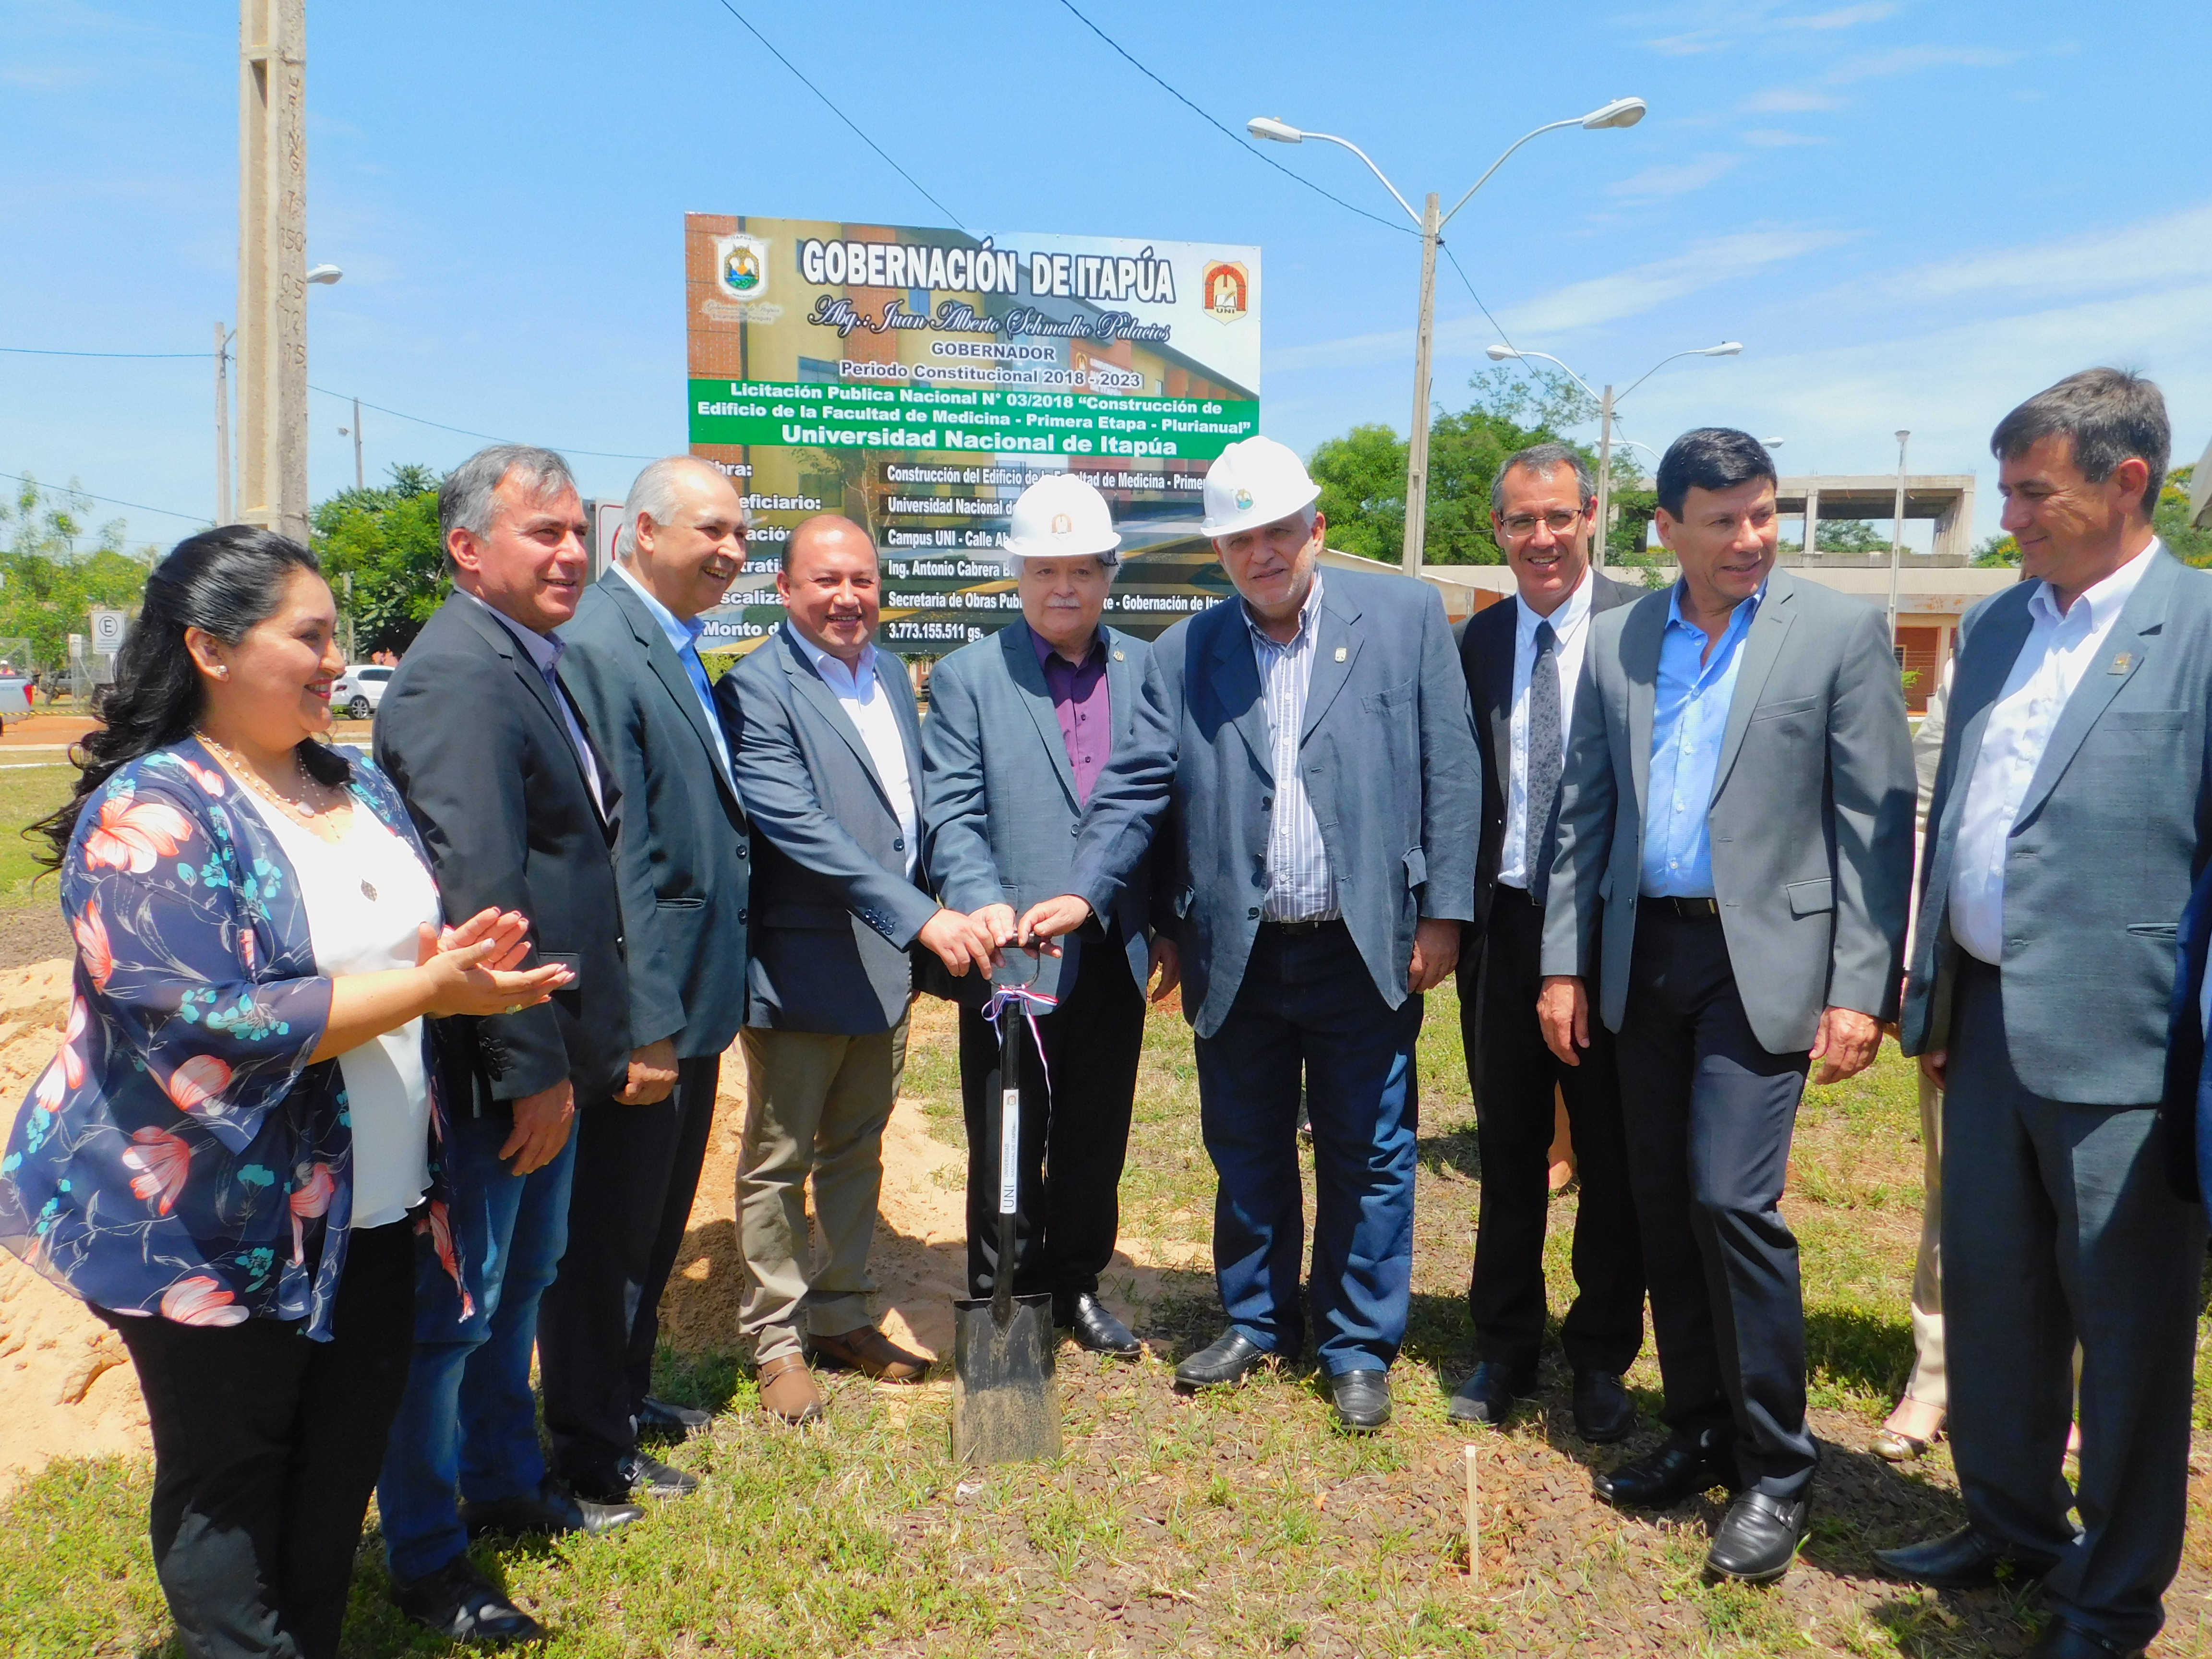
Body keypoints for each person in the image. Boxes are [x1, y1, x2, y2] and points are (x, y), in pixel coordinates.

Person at [0, 526, 565, 1659]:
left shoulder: (348, 781)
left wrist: (458, 963)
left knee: (341, 1452)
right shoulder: (153, 810)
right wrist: (425, 992)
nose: (334, 660)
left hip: (380, 1199)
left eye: (334, 637)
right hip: (210, 1223)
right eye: (308, 637)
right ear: (210, 649)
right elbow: (196, 1017)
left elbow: (398, 949)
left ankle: (306, 1630)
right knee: (233, 1475)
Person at [1020, 435, 1481, 1431]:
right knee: (1246, 1142)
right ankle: (1259, 1317)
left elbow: (1451, 767)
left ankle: (1357, 1343)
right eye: (1238, 540)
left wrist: (1444, 911)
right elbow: (1139, 787)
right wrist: (1085, 891)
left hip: (1366, 939)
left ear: (1315, 529)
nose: (1261, 553)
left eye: (1277, 530)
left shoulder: (1404, 618)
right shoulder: (1189, 652)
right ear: (1219, 554)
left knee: (1370, 1147)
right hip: (1240, 945)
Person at [1539, 428, 1913, 1583]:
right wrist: (1563, 961)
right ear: (1667, 530)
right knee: (1658, 1204)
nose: (1752, 539)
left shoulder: (1838, 633)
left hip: (1764, 966)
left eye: (1764, 515)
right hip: (1641, 958)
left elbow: (1874, 822)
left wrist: (1861, 988)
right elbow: (1583, 814)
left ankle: (1776, 1468)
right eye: (1725, 519)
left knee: (1730, 1202)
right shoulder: (1620, 644)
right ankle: (1697, 1429)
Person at [1883, 369, 2211, 1659]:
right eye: (2007, 487)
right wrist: (1935, 993)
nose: (2010, 516)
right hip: (1989, 1023)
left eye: (2035, 490)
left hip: (2131, 1051)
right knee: (1998, 1300)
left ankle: (2113, 1592)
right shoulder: (2007, 627)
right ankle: (2012, 1523)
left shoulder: (2197, 628)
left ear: (2129, 484)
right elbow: (1956, 813)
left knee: (2127, 1343)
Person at [374, 445, 645, 1644]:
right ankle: (429, 1558)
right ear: (468, 550)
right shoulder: (456, 678)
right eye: (543, 534)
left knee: (519, 1287)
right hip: (492, 1066)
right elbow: (482, 890)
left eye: (578, 531)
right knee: (455, 1318)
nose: (572, 553)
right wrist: (531, 1071)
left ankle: (506, 1486)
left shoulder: (525, 658)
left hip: (550, 1047)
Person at [720, 513, 999, 1424]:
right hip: (801, 965)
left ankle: (840, 1312)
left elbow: (910, 812)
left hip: (880, 966)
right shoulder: (756, 688)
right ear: (786, 590)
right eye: (826, 582)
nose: (848, 598)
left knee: (858, 1144)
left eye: (863, 582)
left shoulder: (885, 672)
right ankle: (775, 1338)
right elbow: (798, 828)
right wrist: (923, 917)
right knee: (779, 1155)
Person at [920, 473, 1167, 1357]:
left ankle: (1077, 1286)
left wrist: (1165, 925)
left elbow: (1166, 808)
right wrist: (984, 901)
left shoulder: (1151, 669)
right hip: (1011, 957)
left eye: (1082, 570)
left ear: (1110, 574)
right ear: (1016, 576)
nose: (1063, 587)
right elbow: (951, 810)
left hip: (1111, 946)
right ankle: (1008, 1299)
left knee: (1098, 1134)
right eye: (1043, 569)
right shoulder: (968, 678)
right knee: (1006, 1141)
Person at [546, 457, 753, 1496]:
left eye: (740, 536)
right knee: (607, 1242)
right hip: (649, 1010)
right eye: (709, 530)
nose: (729, 551)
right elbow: (613, 854)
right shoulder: (600, 646)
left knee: (652, 1224)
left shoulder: (673, 647)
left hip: (696, 998)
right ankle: (587, 1446)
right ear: (642, 532)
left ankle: (623, 1398)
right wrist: (646, 1024)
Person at [1448, 443, 1644, 1441]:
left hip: (1616, 942)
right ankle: (1505, 1346)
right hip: (1503, 930)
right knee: (1511, 1148)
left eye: (1559, 517)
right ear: (1499, 531)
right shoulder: (1478, 644)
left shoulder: (1644, 632)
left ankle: (1602, 1356)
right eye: (1522, 522)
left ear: (1592, 516)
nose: (1542, 539)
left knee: (1611, 1157)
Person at [1876, 654, 1952, 1463]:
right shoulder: (1991, 638)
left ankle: (2071, 1391)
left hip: (2121, 988)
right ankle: (1935, 1376)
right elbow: (1923, 811)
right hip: (1968, 977)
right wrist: (1912, 968)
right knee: (1953, 1186)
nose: (2017, 517)